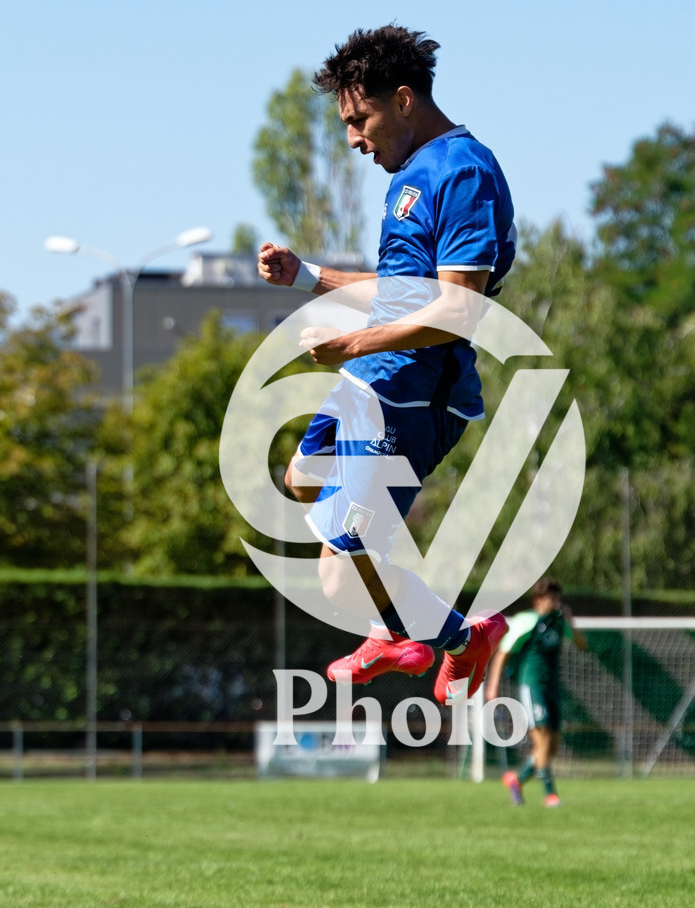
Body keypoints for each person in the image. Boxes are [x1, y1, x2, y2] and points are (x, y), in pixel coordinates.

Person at [257, 25, 516, 705]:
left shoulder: (462, 171)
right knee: (302, 477)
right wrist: (305, 275)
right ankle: (426, 630)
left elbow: (459, 312)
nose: (352, 138)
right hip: (370, 382)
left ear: (403, 100)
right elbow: (401, 293)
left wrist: (351, 346)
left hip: (412, 391)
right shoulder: (412, 175)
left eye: (358, 118)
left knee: (339, 577)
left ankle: (448, 635)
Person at [485, 578, 587, 805]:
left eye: (558, 598)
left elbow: (582, 645)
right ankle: (551, 794)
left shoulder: (560, 622)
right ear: (538, 600)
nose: (556, 602)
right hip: (532, 685)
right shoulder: (527, 621)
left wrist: (570, 621)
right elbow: (503, 652)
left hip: (552, 686)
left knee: (551, 746)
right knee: (542, 738)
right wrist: (492, 687)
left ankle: (517, 780)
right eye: (552, 598)